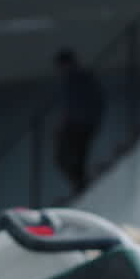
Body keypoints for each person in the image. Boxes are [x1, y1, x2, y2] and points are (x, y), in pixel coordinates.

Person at [52, 48, 105, 193]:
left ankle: (81, 184)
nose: (60, 70)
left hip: (80, 124)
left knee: (69, 157)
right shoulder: (78, 78)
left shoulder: (78, 79)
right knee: (72, 158)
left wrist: (63, 124)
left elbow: (73, 105)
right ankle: (80, 184)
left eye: (61, 66)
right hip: (83, 123)